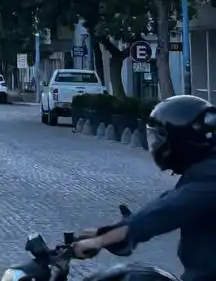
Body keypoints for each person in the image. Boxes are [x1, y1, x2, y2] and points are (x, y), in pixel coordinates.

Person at [72, 94, 216, 281]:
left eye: (160, 139)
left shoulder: (209, 179)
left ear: (181, 141)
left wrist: (101, 241)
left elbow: (166, 212)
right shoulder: (203, 171)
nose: (156, 147)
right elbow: (167, 201)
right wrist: (106, 231)